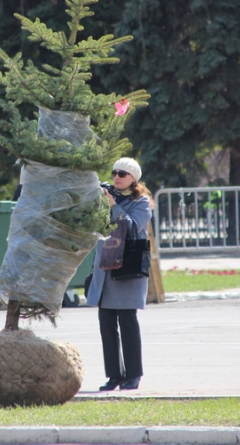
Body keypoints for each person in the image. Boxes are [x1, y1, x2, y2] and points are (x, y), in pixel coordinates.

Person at [86, 157, 153, 391]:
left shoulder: (141, 202)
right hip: (105, 266)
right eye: (114, 172)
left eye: (122, 174)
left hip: (128, 268)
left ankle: (133, 375)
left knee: (127, 322)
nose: (116, 177)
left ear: (134, 178)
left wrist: (114, 205)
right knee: (106, 324)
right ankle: (114, 375)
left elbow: (133, 228)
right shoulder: (104, 198)